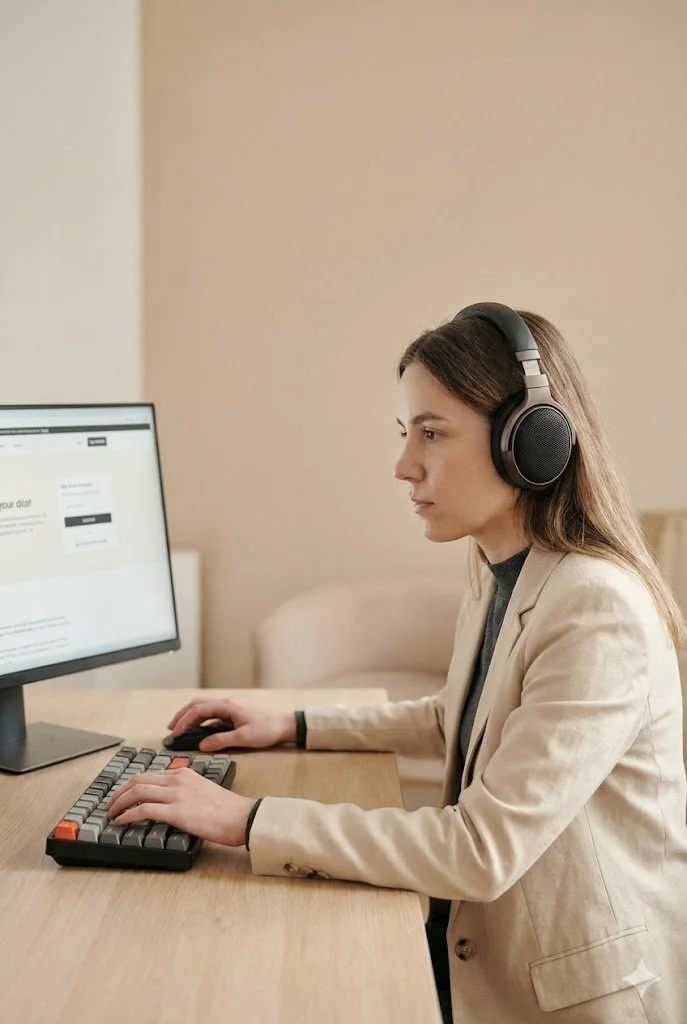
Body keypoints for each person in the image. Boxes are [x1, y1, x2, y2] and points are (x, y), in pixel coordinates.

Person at [106, 303, 687, 1024]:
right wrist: (291, 722)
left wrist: (245, 820)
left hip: (567, 997)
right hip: (476, 947)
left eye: (432, 433)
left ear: (529, 443)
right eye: (405, 432)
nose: (403, 465)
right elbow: (456, 717)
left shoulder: (595, 611)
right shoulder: (502, 563)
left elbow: (478, 849)